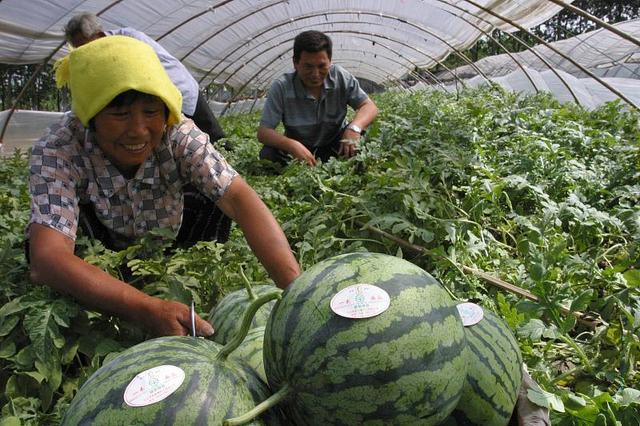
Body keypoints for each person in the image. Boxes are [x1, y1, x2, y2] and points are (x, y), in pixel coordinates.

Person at [26, 35, 301, 338]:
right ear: (90, 116)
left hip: (173, 233)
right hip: (100, 253)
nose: (138, 130)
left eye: (151, 112)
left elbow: (240, 199)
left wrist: (296, 293)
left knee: (217, 192)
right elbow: (48, 258)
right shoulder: (59, 148)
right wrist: (145, 308)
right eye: (120, 114)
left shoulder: (179, 133)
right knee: (46, 248)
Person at [63, 13, 226, 146]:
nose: (83, 52)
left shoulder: (126, 41)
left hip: (179, 88)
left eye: (85, 46)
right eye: (78, 49)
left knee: (211, 137)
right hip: (162, 98)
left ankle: (232, 169)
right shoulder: (99, 57)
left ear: (98, 35)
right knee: (184, 144)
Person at [257, 30, 378, 167]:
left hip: (336, 143)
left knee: (364, 140)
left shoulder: (340, 77)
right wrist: (291, 145)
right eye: (308, 66)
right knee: (268, 154)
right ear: (295, 63)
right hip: (300, 149)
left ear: (330, 61)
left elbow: (369, 106)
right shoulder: (282, 87)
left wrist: (354, 128)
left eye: (322, 66)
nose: (315, 74)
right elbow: (264, 132)